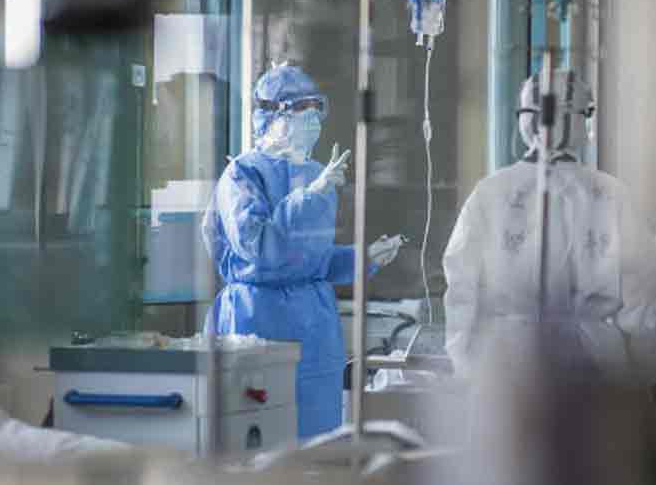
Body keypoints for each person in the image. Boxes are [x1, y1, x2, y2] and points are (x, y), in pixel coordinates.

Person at [203, 64, 400, 438]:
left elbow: (311, 262)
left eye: (315, 111)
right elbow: (261, 247)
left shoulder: (315, 174)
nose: (312, 122)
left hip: (316, 330)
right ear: (271, 116)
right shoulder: (243, 174)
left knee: (319, 444)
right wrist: (309, 197)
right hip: (259, 321)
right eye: (300, 111)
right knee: (257, 437)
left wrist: (363, 257)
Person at [443, 70, 656, 382]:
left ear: (524, 119)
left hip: (507, 368)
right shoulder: (612, 195)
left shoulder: (490, 193)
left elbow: (461, 289)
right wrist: (641, 373)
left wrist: (465, 365)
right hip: (597, 368)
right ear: (582, 120)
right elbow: (643, 296)